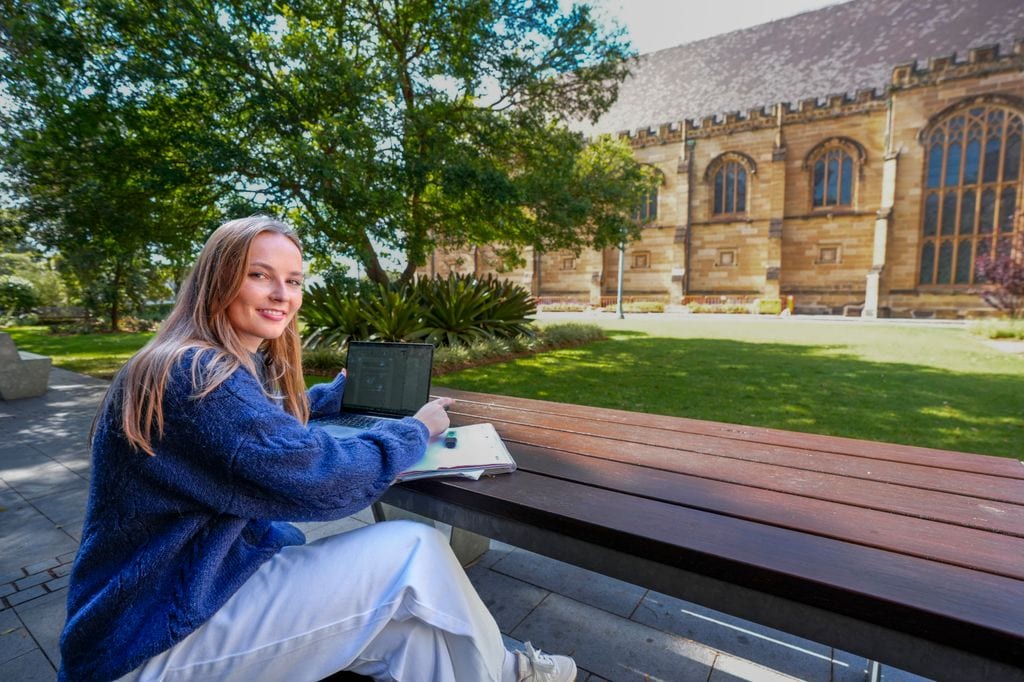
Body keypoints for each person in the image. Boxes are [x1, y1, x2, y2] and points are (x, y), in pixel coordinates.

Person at [58, 216, 577, 682]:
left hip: (197, 589)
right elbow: (320, 477)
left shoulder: (196, 361)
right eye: (259, 274)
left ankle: (502, 672)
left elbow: (255, 428)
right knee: (415, 550)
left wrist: (335, 397)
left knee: (413, 634)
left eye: (293, 280)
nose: (281, 293)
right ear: (217, 278)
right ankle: (511, 672)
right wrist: (414, 431)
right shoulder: (198, 377)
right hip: (151, 636)